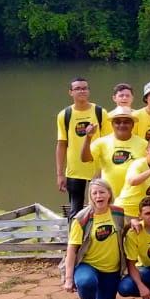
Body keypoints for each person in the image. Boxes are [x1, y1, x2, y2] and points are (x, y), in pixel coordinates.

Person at [61, 179, 124, 299]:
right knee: (85, 281)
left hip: (111, 269)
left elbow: (125, 230)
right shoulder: (81, 218)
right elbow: (72, 249)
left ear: (109, 194)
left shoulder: (118, 213)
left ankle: (96, 293)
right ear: (90, 196)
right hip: (88, 264)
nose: (98, 196)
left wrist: (134, 223)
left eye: (102, 192)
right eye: (94, 193)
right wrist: (68, 279)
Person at [56, 77, 109, 218]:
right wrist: (60, 174)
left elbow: (108, 143)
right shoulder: (65, 115)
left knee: (101, 208)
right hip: (75, 171)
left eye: (85, 88)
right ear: (70, 92)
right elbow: (61, 144)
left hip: (97, 169)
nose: (82, 91)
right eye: (78, 88)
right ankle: (75, 239)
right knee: (75, 211)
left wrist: (104, 169)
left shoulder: (100, 112)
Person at [82, 106, 147, 198]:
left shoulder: (144, 144)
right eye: (117, 122)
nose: (122, 125)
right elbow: (85, 159)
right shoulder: (102, 142)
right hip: (109, 197)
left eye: (126, 122)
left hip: (134, 197)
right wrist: (88, 137)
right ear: (112, 124)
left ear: (133, 124)